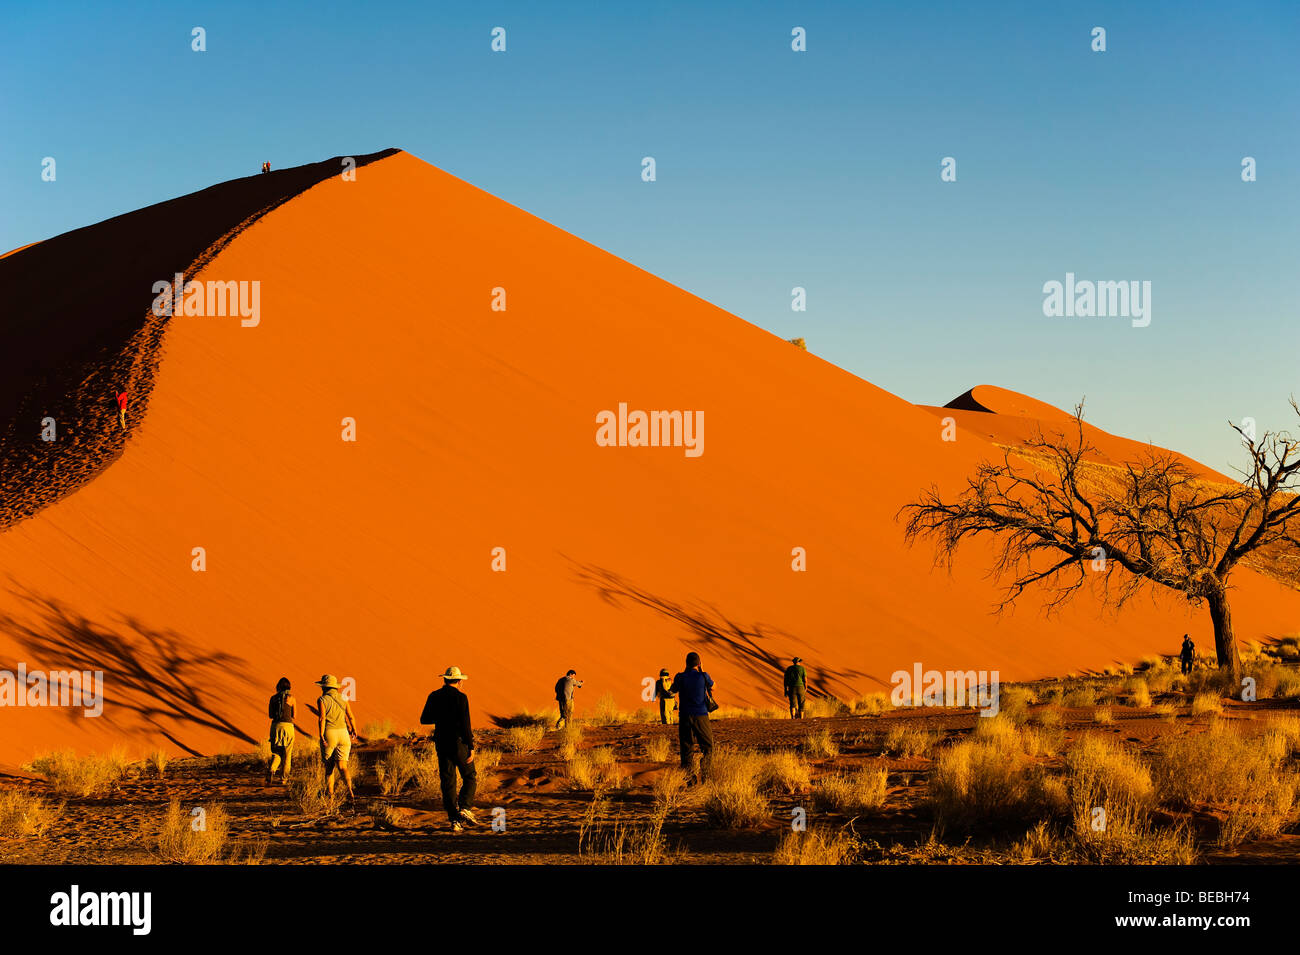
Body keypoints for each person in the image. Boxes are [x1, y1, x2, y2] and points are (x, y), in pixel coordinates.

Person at [419, 666, 478, 832]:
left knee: (448, 781)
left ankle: (454, 820)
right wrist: (471, 746)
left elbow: (424, 719)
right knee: (470, 776)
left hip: (441, 743)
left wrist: (441, 716)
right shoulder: (461, 697)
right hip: (459, 743)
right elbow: (466, 724)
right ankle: (465, 807)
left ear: (445, 679)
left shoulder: (434, 696)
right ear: (459, 681)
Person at [670, 651, 715, 778]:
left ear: (686, 664)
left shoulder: (680, 677)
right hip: (701, 716)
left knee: (686, 749)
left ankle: (690, 780)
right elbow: (714, 687)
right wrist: (702, 671)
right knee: (708, 747)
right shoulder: (704, 676)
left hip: (685, 717)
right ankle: (706, 775)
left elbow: (672, 690)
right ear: (699, 664)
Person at [314, 674, 357, 802]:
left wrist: (321, 735)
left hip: (330, 733)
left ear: (324, 687)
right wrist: (354, 729)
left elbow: (322, 718)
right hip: (344, 733)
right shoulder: (344, 697)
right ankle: (349, 790)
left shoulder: (322, 699)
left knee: (329, 767)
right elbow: (350, 715)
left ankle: (330, 796)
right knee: (343, 766)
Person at [266, 677, 296, 786]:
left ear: (278, 687)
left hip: (275, 727)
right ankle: (284, 779)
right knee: (287, 755)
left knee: (276, 752)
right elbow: (294, 716)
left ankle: (272, 769)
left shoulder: (273, 698)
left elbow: (270, 715)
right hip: (288, 727)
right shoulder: (291, 698)